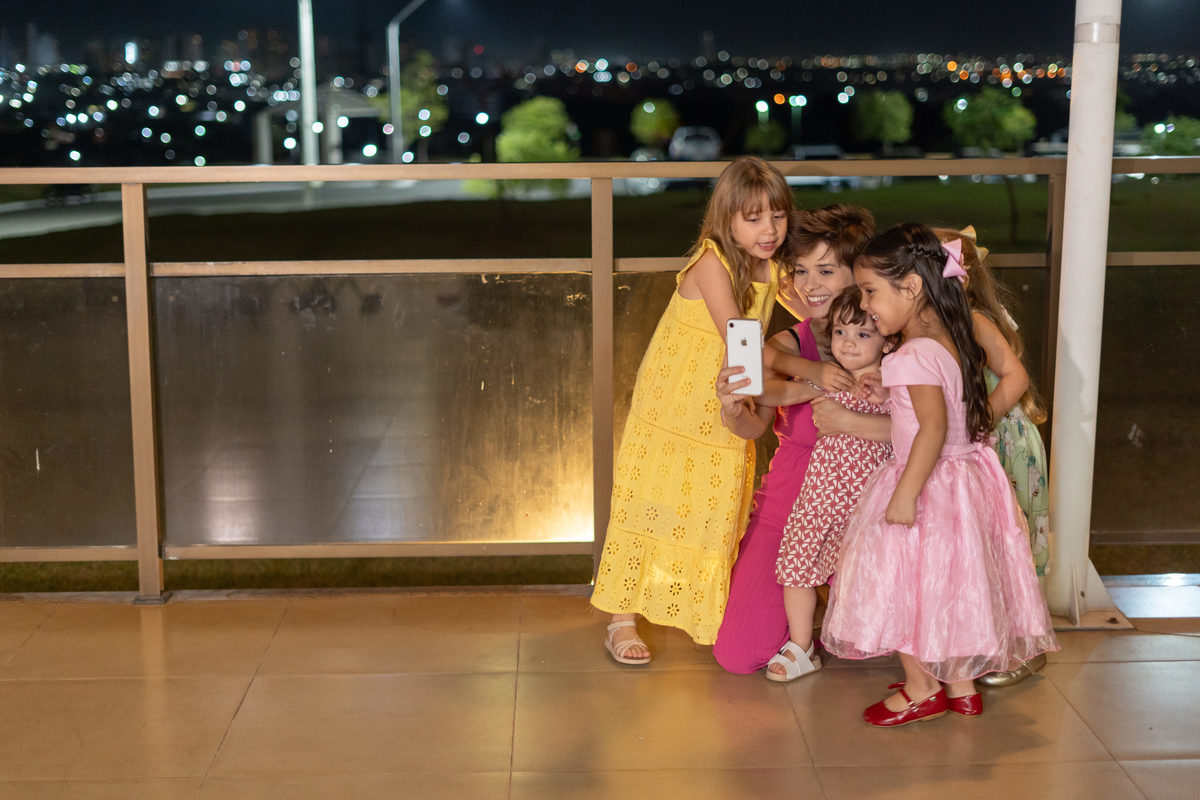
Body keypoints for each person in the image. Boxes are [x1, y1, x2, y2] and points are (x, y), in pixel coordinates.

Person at [821, 223, 1058, 727]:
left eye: (870, 291)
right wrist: (903, 399)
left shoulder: (909, 353)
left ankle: (922, 688)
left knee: (902, 582)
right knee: (950, 581)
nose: (865, 305)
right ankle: (962, 686)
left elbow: (930, 427)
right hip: (962, 477)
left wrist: (904, 495)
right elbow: (946, 408)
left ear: (911, 287)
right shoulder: (950, 335)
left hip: (925, 482)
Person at [590, 156, 801, 663]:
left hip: (724, 399)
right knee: (651, 502)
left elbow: (814, 306)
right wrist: (806, 377)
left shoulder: (772, 266)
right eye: (754, 218)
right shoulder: (712, 262)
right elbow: (740, 337)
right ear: (727, 218)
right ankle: (621, 620)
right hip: (675, 404)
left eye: (778, 216)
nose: (769, 230)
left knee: (714, 504)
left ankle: (702, 610)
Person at [711, 204, 876, 675]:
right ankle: (806, 610)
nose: (810, 285)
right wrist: (733, 409)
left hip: (868, 513)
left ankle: (827, 601)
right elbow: (754, 424)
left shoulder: (886, 341)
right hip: (789, 505)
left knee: (877, 637)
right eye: (800, 271)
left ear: (859, 272)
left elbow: (927, 426)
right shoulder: (785, 346)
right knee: (739, 654)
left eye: (826, 270)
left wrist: (850, 418)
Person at [935, 225, 1051, 687]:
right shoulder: (926, 325)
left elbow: (1015, 376)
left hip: (1003, 442)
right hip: (968, 449)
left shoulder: (974, 321)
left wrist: (981, 420)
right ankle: (987, 639)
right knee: (981, 542)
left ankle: (1024, 646)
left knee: (1010, 537)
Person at [767, 287, 896, 681]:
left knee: (877, 574)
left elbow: (916, 427)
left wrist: (884, 390)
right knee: (796, 564)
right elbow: (775, 391)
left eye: (863, 334)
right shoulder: (830, 378)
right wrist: (809, 375)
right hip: (820, 501)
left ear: (888, 341)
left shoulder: (896, 384)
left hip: (870, 506)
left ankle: (899, 641)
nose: (849, 343)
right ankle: (801, 646)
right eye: (841, 332)